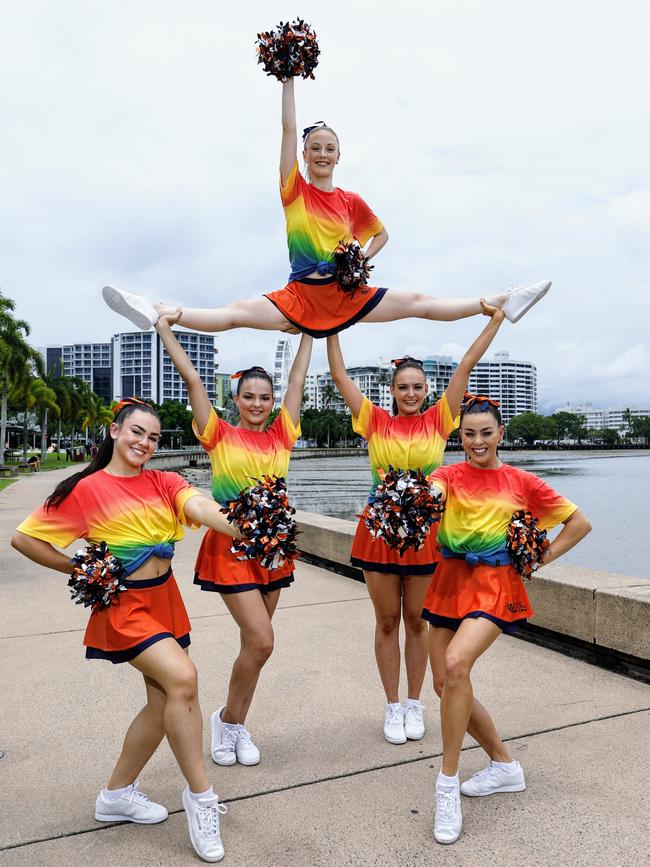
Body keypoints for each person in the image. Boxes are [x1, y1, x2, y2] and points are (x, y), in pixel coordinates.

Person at [102, 79, 550, 337]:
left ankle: (500, 300)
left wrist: (358, 261)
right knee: (236, 312)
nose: (321, 153)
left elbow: (382, 235)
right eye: (314, 147)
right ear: (305, 155)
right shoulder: (292, 189)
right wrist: (288, 77)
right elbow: (286, 126)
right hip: (301, 295)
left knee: (419, 302)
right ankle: (157, 308)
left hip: (346, 294)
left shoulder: (351, 201)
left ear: (339, 156)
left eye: (329, 147)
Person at [11, 398, 245, 863]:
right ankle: (201, 797)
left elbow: (198, 505)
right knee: (183, 680)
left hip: (165, 598)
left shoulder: (162, 481)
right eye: (137, 432)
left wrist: (242, 525)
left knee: (163, 703)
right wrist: (80, 567)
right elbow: (25, 539)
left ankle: (116, 795)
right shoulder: (86, 489)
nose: (145, 443)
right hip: (124, 605)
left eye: (153, 437)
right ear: (115, 431)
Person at [327, 301, 505, 745]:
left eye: (417, 387)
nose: (410, 393)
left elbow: (467, 361)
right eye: (403, 387)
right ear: (391, 390)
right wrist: (328, 326)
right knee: (386, 621)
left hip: (426, 535)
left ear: (427, 390)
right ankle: (391, 705)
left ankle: (413, 702)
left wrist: (496, 319)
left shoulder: (440, 420)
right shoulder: (373, 420)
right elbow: (341, 377)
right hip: (378, 534)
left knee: (417, 621)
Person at [422, 396, 591, 845]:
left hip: (496, 584)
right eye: (468, 434)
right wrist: (422, 496)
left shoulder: (522, 481)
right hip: (450, 580)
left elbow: (578, 524)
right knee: (443, 683)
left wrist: (536, 560)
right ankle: (504, 765)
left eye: (486, 432)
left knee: (457, 665)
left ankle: (446, 784)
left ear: (501, 434)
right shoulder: (448, 474)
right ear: (459, 437)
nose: (477, 441)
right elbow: (434, 489)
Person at [154, 312, 312, 769]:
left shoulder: (284, 433)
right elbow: (193, 378)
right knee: (262, 641)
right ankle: (228, 719)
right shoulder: (219, 434)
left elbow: (297, 377)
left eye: (265, 397)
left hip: (274, 548)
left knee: (254, 647)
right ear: (237, 399)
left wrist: (310, 332)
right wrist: (164, 328)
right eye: (249, 397)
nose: (258, 404)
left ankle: (232, 723)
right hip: (231, 546)